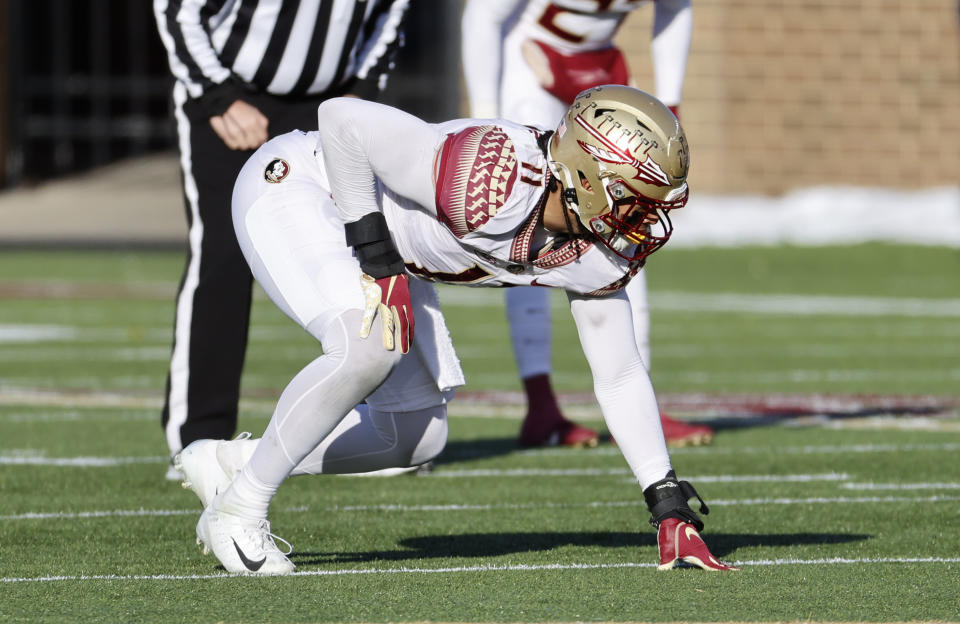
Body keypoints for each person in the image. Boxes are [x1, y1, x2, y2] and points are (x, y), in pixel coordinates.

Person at [174, 84, 737, 575]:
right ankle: (239, 509)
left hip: (387, 247)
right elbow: (340, 121)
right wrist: (376, 258)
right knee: (366, 349)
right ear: (587, 177)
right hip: (305, 189)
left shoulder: (597, 251)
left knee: (415, 436)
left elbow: (617, 374)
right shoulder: (491, 171)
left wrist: (664, 499)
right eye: (634, 201)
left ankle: (231, 464)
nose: (644, 219)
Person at [153, 0, 410, 480]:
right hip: (233, 98)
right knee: (222, 259)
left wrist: (361, 92)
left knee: (366, 245)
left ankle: (385, 433)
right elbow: (177, 10)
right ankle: (198, 437)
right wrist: (217, 95)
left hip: (334, 101)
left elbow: (390, 17)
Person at [461, 0, 713, 449]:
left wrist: (670, 102)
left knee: (631, 221)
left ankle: (641, 404)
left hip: (604, 71)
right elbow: (484, 14)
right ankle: (540, 404)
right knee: (530, 225)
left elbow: (675, 8)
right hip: (531, 62)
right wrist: (485, 112)